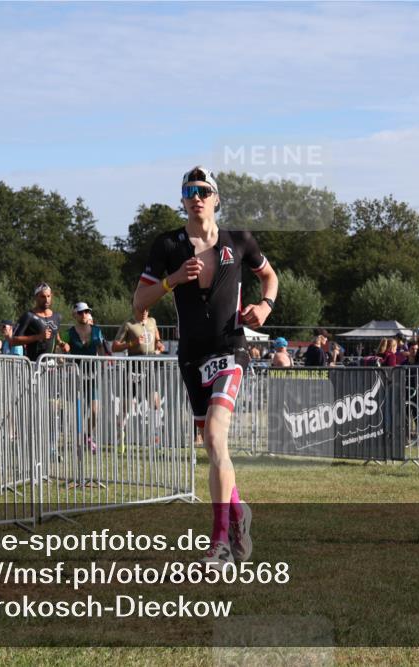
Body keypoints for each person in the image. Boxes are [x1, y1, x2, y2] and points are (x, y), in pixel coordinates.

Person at [133, 165, 278, 569]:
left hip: (230, 349)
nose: (195, 196)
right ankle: (238, 512)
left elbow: (270, 277)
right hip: (191, 356)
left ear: (216, 198)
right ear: (182, 199)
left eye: (203, 190)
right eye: (188, 190)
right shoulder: (168, 245)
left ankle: (220, 545)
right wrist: (173, 279)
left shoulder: (238, 240)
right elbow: (138, 304)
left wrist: (265, 307)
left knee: (215, 436)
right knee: (212, 446)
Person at [112, 306, 166, 447]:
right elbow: (114, 346)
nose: (145, 313)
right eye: (142, 310)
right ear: (135, 309)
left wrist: (159, 344)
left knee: (155, 402)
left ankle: (155, 435)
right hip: (133, 367)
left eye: (147, 310)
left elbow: (156, 336)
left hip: (149, 367)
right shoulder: (128, 324)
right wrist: (132, 343)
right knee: (126, 406)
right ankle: (120, 435)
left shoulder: (152, 321)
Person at [58, 302, 108, 453]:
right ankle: (77, 441)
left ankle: (86, 435)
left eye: (86, 312)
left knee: (95, 411)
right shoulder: (68, 333)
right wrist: (63, 359)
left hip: (92, 375)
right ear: (75, 315)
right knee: (76, 411)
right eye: (81, 312)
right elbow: (59, 352)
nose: (84, 314)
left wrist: (104, 362)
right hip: (76, 376)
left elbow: (102, 349)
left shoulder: (97, 331)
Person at [11, 283, 62, 362]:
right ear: (36, 297)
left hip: (51, 365)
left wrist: (62, 343)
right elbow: (14, 341)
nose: (46, 300)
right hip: (34, 364)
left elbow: (55, 335)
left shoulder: (57, 316)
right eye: (43, 296)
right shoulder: (28, 316)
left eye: (48, 296)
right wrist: (38, 337)